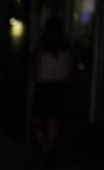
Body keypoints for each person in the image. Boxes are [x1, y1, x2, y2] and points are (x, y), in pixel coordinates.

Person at [30, 16, 73, 156]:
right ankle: (48, 148)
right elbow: (69, 69)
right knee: (52, 120)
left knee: (40, 119)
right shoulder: (65, 48)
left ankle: (46, 148)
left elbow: (35, 69)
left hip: (45, 85)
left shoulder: (42, 48)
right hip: (59, 85)